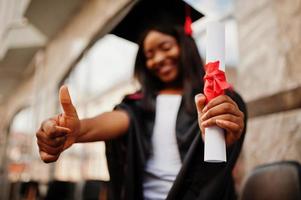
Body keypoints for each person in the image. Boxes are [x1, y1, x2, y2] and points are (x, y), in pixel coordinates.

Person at [36, 1, 247, 199]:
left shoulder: (219, 100)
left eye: (165, 47)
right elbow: (113, 121)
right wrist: (77, 129)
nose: (158, 59)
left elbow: (221, 165)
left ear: (185, 45)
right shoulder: (139, 105)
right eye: (149, 55)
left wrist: (223, 128)